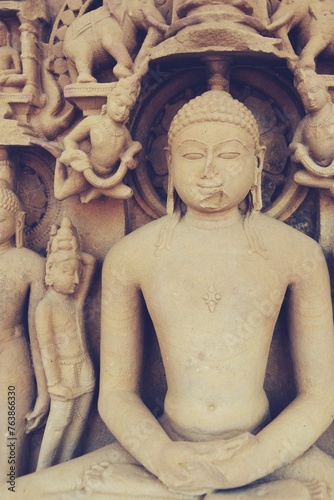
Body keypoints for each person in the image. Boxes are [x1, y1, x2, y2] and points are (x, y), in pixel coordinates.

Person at [96, 90, 334, 498]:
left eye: (227, 155)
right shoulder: (130, 257)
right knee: (15, 489)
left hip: (267, 448)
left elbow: (320, 396)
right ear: (169, 161)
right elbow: (116, 394)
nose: (209, 172)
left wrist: (252, 461)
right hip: (165, 447)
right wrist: (160, 455)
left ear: (257, 160)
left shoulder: (297, 255)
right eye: (191, 156)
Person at [35, 217, 96, 470]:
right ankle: (40, 476)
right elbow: (46, 347)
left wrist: (71, 244)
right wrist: (53, 383)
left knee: (77, 426)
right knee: (59, 424)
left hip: (84, 369)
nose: (75, 279)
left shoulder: (74, 301)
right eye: (67, 273)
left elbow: (90, 263)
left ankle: (64, 471)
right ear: (49, 273)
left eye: (76, 274)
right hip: (62, 374)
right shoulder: (46, 307)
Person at [0, 181, 48, 484]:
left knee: (10, 429)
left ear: (18, 221)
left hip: (11, 354)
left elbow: (40, 333)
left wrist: (44, 390)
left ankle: (10, 488)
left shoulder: (29, 264)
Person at [54, 76, 142, 204]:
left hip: (110, 178)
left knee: (127, 193)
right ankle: (58, 163)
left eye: (128, 108)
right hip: (86, 173)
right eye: (120, 104)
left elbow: (134, 145)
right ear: (109, 100)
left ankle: (98, 190)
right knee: (60, 194)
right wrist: (76, 156)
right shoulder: (93, 122)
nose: (123, 111)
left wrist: (131, 160)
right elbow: (70, 139)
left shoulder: (123, 132)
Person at [290, 69, 334, 193]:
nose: (310, 98)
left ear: (326, 92)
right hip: (316, 170)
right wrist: (299, 151)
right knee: (298, 177)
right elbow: (292, 145)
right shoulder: (305, 122)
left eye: (314, 91)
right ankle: (330, 184)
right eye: (304, 95)